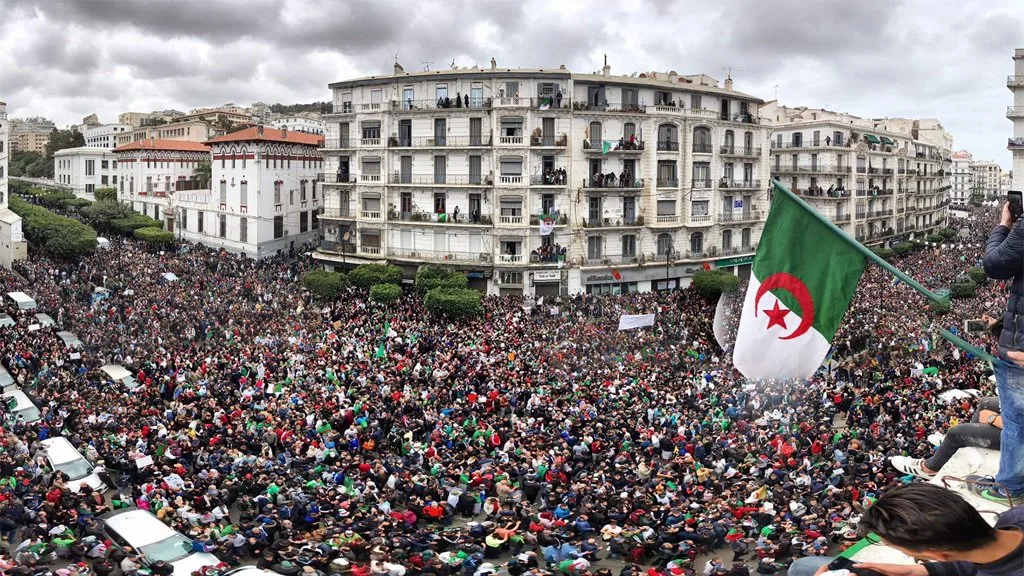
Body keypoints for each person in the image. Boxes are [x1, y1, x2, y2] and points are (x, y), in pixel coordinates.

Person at [787, 483, 1023, 576]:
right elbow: (974, 560)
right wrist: (918, 572)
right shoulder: (1014, 517)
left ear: (934, 554)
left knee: (802, 568)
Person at [979, 199, 1024, 504]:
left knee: (1017, 420)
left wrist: (1004, 223)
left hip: (1019, 353)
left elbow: (994, 263)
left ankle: (1010, 486)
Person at [889, 397, 1002, 478]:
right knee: (985, 403)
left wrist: (993, 419)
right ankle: (968, 439)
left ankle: (930, 468)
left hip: (1017, 434)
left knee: (956, 433)